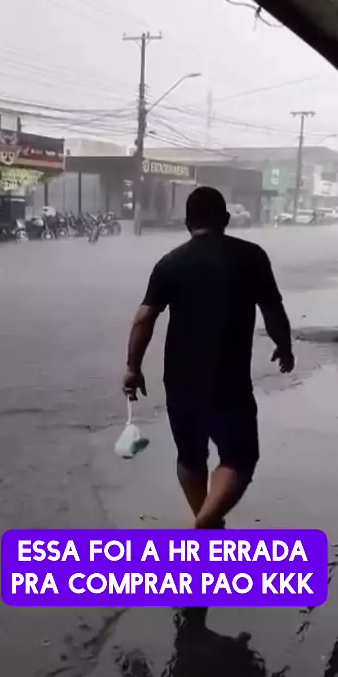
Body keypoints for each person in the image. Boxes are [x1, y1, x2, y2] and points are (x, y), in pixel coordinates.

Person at [123, 186, 294, 529]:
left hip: (179, 381)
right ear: (226, 219)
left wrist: (133, 367)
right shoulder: (251, 256)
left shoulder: (170, 263)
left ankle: (205, 521)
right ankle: (205, 522)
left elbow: (144, 319)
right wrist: (284, 345)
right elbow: (272, 309)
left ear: (187, 222)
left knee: (190, 457)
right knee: (239, 457)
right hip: (228, 380)